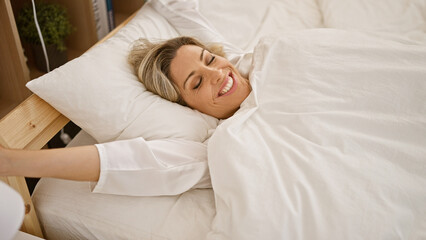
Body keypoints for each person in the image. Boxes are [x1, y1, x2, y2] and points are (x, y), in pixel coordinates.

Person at [0, 36, 252, 196]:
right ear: (189, 107)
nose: (216, 74)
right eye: (196, 83)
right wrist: (11, 162)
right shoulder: (219, 145)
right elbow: (130, 162)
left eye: (210, 59)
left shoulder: (255, 62)